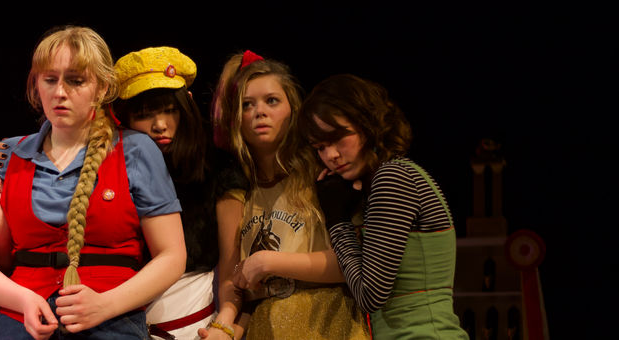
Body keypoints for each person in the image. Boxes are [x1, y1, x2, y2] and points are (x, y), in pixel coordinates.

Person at [0, 25, 187, 340]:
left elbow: (172, 255)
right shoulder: (8, 154)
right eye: (50, 80)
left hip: (111, 321)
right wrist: (22, 300)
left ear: (103, 88)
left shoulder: (134, 150)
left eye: (76, 81)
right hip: (23, 320)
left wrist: (106, 305)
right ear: (36, 84)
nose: (60, 92)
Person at [200, 52, 370, 340]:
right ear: (235, 119)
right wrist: (224, 326)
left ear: (294, 108)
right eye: (247, 105)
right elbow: (231, 280)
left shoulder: (323, 174)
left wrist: (268, 262)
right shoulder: (235, 191)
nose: (259, 112)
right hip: (266, 328)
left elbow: (354, 264)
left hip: (328, 324)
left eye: (272, 101)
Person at [301, 74, 468, 339]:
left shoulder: (393, 177)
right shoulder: (388, 178)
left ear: (368, 124)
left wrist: (337, 221)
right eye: (320, 147)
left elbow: (370, 295)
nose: (331, 155)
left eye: (338, 138)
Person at [111, 46, 249, 340]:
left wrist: (225, 325)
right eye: (144, 115)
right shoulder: (108, 167)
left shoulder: (217, 166)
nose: (160, 125)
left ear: (187, 105)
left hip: (193, 322)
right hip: (114, 320)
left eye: (170, 110)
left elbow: (231, 263)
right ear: (124, 119)